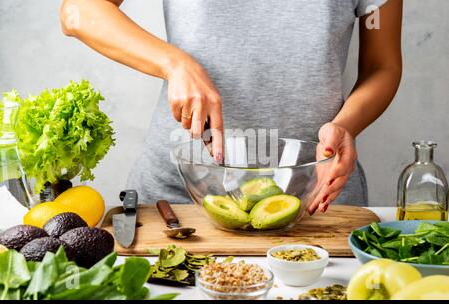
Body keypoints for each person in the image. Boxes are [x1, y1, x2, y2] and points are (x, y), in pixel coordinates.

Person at [60, 0, 402, 214]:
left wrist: (346, 125)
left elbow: (380, 66)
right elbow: (79, 10)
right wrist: (174, 63)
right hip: (177, 197)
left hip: (316, 194)